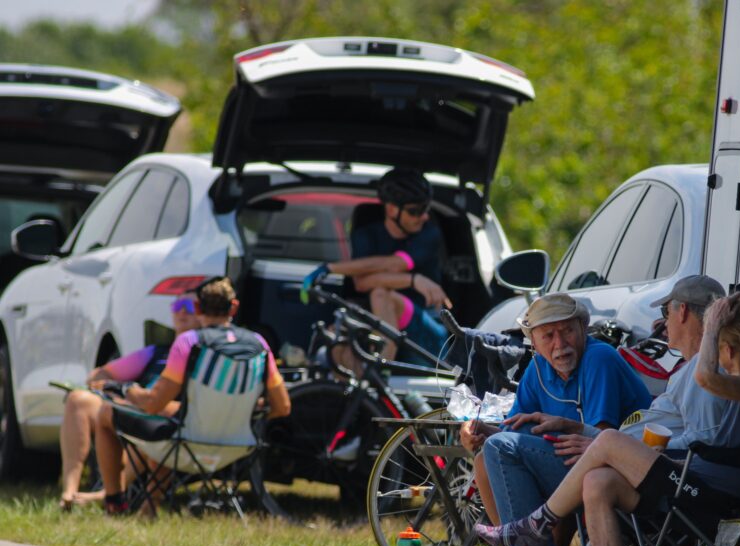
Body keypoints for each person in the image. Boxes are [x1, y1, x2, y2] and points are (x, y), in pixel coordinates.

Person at [475, 284, 740, 546]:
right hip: (685, 475)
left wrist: (622, 447)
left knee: (604, 441)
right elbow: (684, 434)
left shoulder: (734, 380)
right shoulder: (695, 375)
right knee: (598, 479)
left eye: (666, 313)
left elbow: (702, 438)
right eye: (547, 335)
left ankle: (537, 527)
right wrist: (584, 431)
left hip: (705, 488)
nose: (661, 324)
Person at [460, 292, 652, 546]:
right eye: (548, 335)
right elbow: (516, 435)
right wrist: (480, 433)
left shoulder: (598, 358)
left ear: (583, 329)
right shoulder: (537, 369)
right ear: (533, 342)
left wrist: (503, 439)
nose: (559, 343)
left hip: (617, 473)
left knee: (500, 449)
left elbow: (600, 437)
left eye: (568, 331)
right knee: (485, 456)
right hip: (571, 467)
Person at [96, 277, 291, 515]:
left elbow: (154, 403)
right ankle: (149, 506)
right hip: (238, 447)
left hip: (187, 442)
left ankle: (115, 502)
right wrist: (245, 407)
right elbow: (283, 407)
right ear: (234, 307)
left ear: (198, 308)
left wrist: (126, 390)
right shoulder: (259, 344)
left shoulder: (189, 343)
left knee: (106, 413)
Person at [57, 294, 200, 510]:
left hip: (164, 415)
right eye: (178, 305)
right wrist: (119, 392)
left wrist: (143, 400)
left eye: (190, 305)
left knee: (156, 419)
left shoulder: (203, 354)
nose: (182, 311)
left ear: (206, 312)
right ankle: (70, 492)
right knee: (79, 400)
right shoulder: (158, 352)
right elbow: (99, 375)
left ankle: (110, 496)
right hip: (138, 406)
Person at [301, 167, 451, 364]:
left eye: (426, 209)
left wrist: (331, 268)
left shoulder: (429, 233)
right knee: (342, 340)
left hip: (427, 339)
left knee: (380, 293)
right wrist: (414, 280)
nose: (424, 216)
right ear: (391, 209)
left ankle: (381, 369)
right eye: (415, 211)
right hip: (380, 325)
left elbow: (395, 264)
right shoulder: (366, 236)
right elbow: (361, 283)